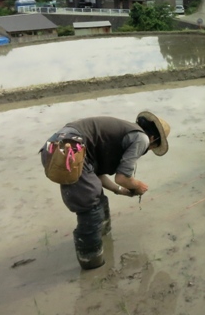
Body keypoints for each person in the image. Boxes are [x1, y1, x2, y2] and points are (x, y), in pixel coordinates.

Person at [40, 111, 170, 269]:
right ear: (153, 139)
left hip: (55, 147)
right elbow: (122, 177)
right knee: (90, 207)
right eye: (151, 148)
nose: (146, 150)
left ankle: (103, 240)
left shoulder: (121, 133)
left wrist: (120, 191)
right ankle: (92, 263)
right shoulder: (141, 138)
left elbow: (96, 175)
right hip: (70, 150)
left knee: (98, 198)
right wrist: (137, 185)